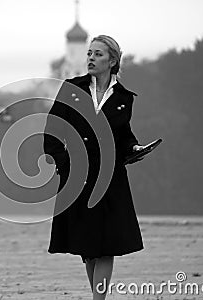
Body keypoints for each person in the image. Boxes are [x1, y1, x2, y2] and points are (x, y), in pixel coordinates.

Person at [43, 35, 145, 299]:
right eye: (89, 53)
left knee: (107, 244)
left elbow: (123, 134)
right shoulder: (70, 89)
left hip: (111, 180)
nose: (90, 58)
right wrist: (64, 165)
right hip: (77, 179)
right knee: (88, 248)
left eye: (98, 54)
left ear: (112, 61)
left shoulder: (124, 98)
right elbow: (52, 131)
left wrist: (133, 148)